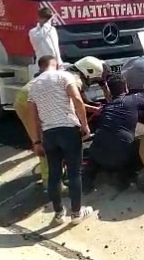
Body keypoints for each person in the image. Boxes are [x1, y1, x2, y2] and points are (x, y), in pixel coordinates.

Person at [27, 56, 94, 225]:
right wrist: (84, 125)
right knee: (74, 173)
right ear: (55, 63)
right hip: (68, 130)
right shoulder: (64, 76)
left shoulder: (33, 85)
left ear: (40, 67)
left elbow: (33, 117)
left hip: (49, 134)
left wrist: (36, 141)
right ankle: (77, 213)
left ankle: (58, 214)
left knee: (54, 175)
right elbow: (77, 100)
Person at [82, 74, 144, 193]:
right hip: (122, 156)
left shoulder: (106, 108)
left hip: (99, 156)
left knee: (101, 145)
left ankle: (87, 182)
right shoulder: (134, 99)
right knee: (138, 143)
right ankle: (128, 176)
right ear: (126, 88)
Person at [14, 55, 58, 186]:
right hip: (31, 99)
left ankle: (47, 174)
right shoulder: (66, 78)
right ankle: (51, 182)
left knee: (41, 138)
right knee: (48, 140)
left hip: (22, 98)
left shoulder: (47, 75)